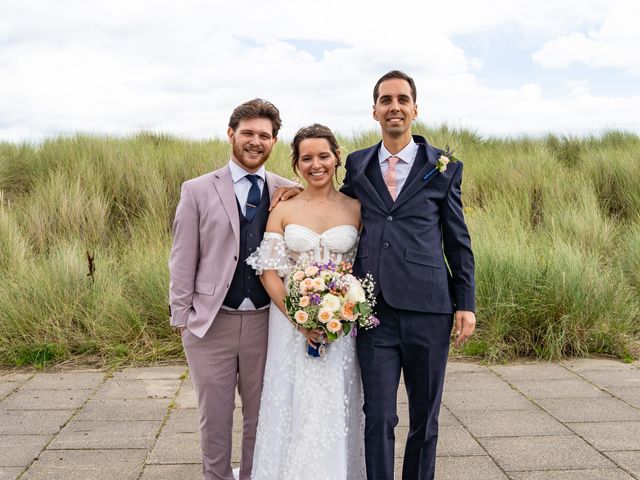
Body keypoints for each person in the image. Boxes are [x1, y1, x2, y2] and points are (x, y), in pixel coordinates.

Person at [341, 70, 477, 480]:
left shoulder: (445, 167)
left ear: (415, 109)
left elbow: (457, 239)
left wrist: (465, 303)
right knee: (378, 416)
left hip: (430, 309)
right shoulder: (357, 164)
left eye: (402, 99)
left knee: (425, 418)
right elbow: (336, 210)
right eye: (386, 100)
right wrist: (293, 192)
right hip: (373, 311)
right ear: (375, 110)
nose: (394, 106)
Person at [168, 98, 297, 480]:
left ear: (274, 141)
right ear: (231, 134)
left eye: (264, 135)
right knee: (215, 417)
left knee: (263, 416)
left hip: (266, 323)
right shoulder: (197, 190)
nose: (255, 141)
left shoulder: (288, 191)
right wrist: (184, 321)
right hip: (211, 323)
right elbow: (182, 258)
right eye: (247, 133)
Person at [246, 124, 366, 479]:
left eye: (324, 156)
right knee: (292, 403)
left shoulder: (357, 208)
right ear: (296, 164)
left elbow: (364, 265)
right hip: (289, 325)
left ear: (337, 158)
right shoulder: (283, 208)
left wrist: (344, 309)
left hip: (341, 326)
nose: (317, 164)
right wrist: (299, 318)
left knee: (334, 405)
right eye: (307, 158)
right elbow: (269, 271)